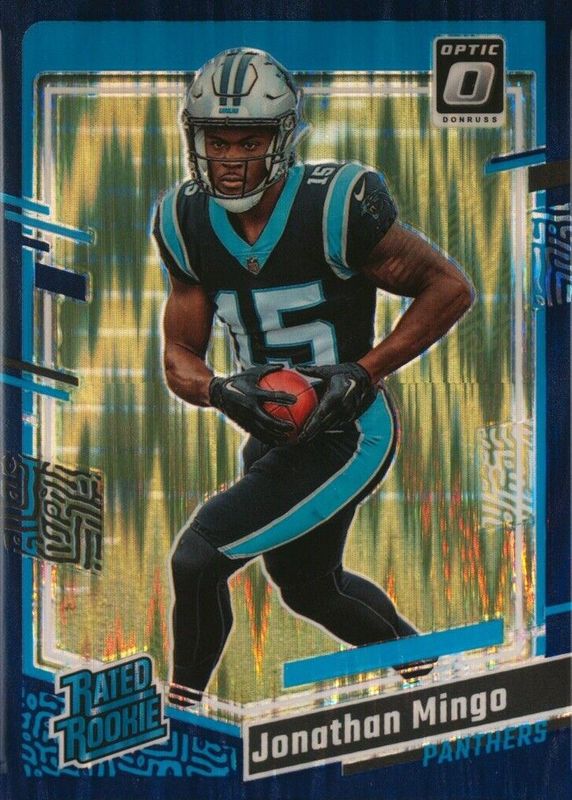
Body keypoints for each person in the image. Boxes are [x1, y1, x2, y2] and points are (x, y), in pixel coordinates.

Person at [152, 47, 474, 705]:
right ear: (194, 137)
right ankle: (433, 676)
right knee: (309, 588)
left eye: (250, 140)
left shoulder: (335, 205)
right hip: (275, 428)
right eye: (218, 140)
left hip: (347, 431)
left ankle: (182, 712)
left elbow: (449, 287)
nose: (231, 158)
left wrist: (364, 371)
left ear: (281, 139)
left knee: (198, 557)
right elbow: (178, 352)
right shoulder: (183, 219)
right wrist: (219, 389)